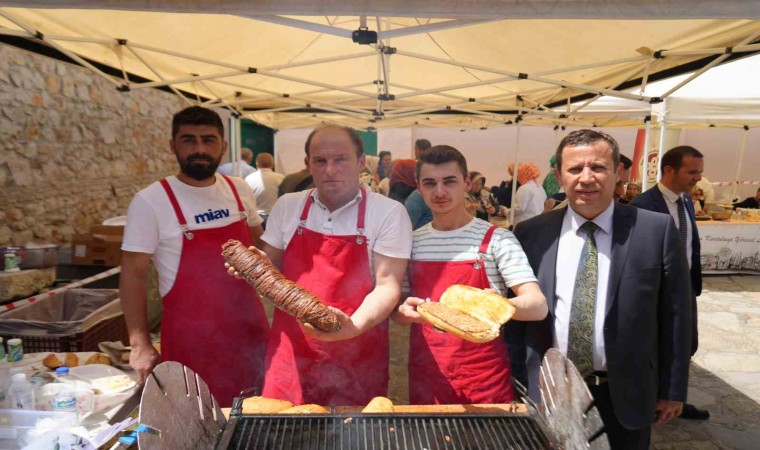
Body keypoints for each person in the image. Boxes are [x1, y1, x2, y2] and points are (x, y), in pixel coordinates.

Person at [514, 129, 692, 450]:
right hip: (552, 390)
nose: (586, 178)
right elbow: (515, 319)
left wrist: (672, 388)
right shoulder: (530, 234)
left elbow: (677, 317)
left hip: (627, 393)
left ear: (618, 172)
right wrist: (516, 384)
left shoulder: (655, 230)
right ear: (558, 175)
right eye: (574, 169)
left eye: (597, 167)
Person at [232, 124, 412, 406]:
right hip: (292, 350)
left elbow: (388, 285)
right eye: (320, 161)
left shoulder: (388, 212)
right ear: (308, 165)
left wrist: (352, 326)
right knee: (285, 432)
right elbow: (269, 261)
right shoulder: (288, 206)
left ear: (361, 162)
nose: (330, 169)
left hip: (358, 349)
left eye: (340, 159)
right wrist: (258, 267)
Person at [120, 106, 269, 407]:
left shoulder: (239, 190)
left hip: (250, 334)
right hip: (192, 343)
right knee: (197, 425)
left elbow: (261, 252)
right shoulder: (151, 201)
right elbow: (132, 275)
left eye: (208, 140)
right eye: (189, 140)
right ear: (173, 145)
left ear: (223, 147)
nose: (199, 149)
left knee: (257, 418)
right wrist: (139, 344)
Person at [393, 145, 547, 404]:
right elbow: (398, 309)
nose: (439, 192)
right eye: (430, 183)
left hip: (484, 378)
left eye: (449, 181)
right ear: (419, 188)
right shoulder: (410, 243)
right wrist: (402, 313)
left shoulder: (497, 239)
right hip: (427, 374)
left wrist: (496, 305)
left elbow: (537, 306)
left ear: (466, 184)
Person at [631, 145, 709, 421]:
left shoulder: (686, 201)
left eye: (699, 172)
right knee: (658, 345)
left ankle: (676, 395)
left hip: (685, 287)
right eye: (692, 172)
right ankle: (655, 399)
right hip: (659, 292)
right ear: (669, 170)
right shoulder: (641, 205)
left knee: (686, 343)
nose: (697, 178)